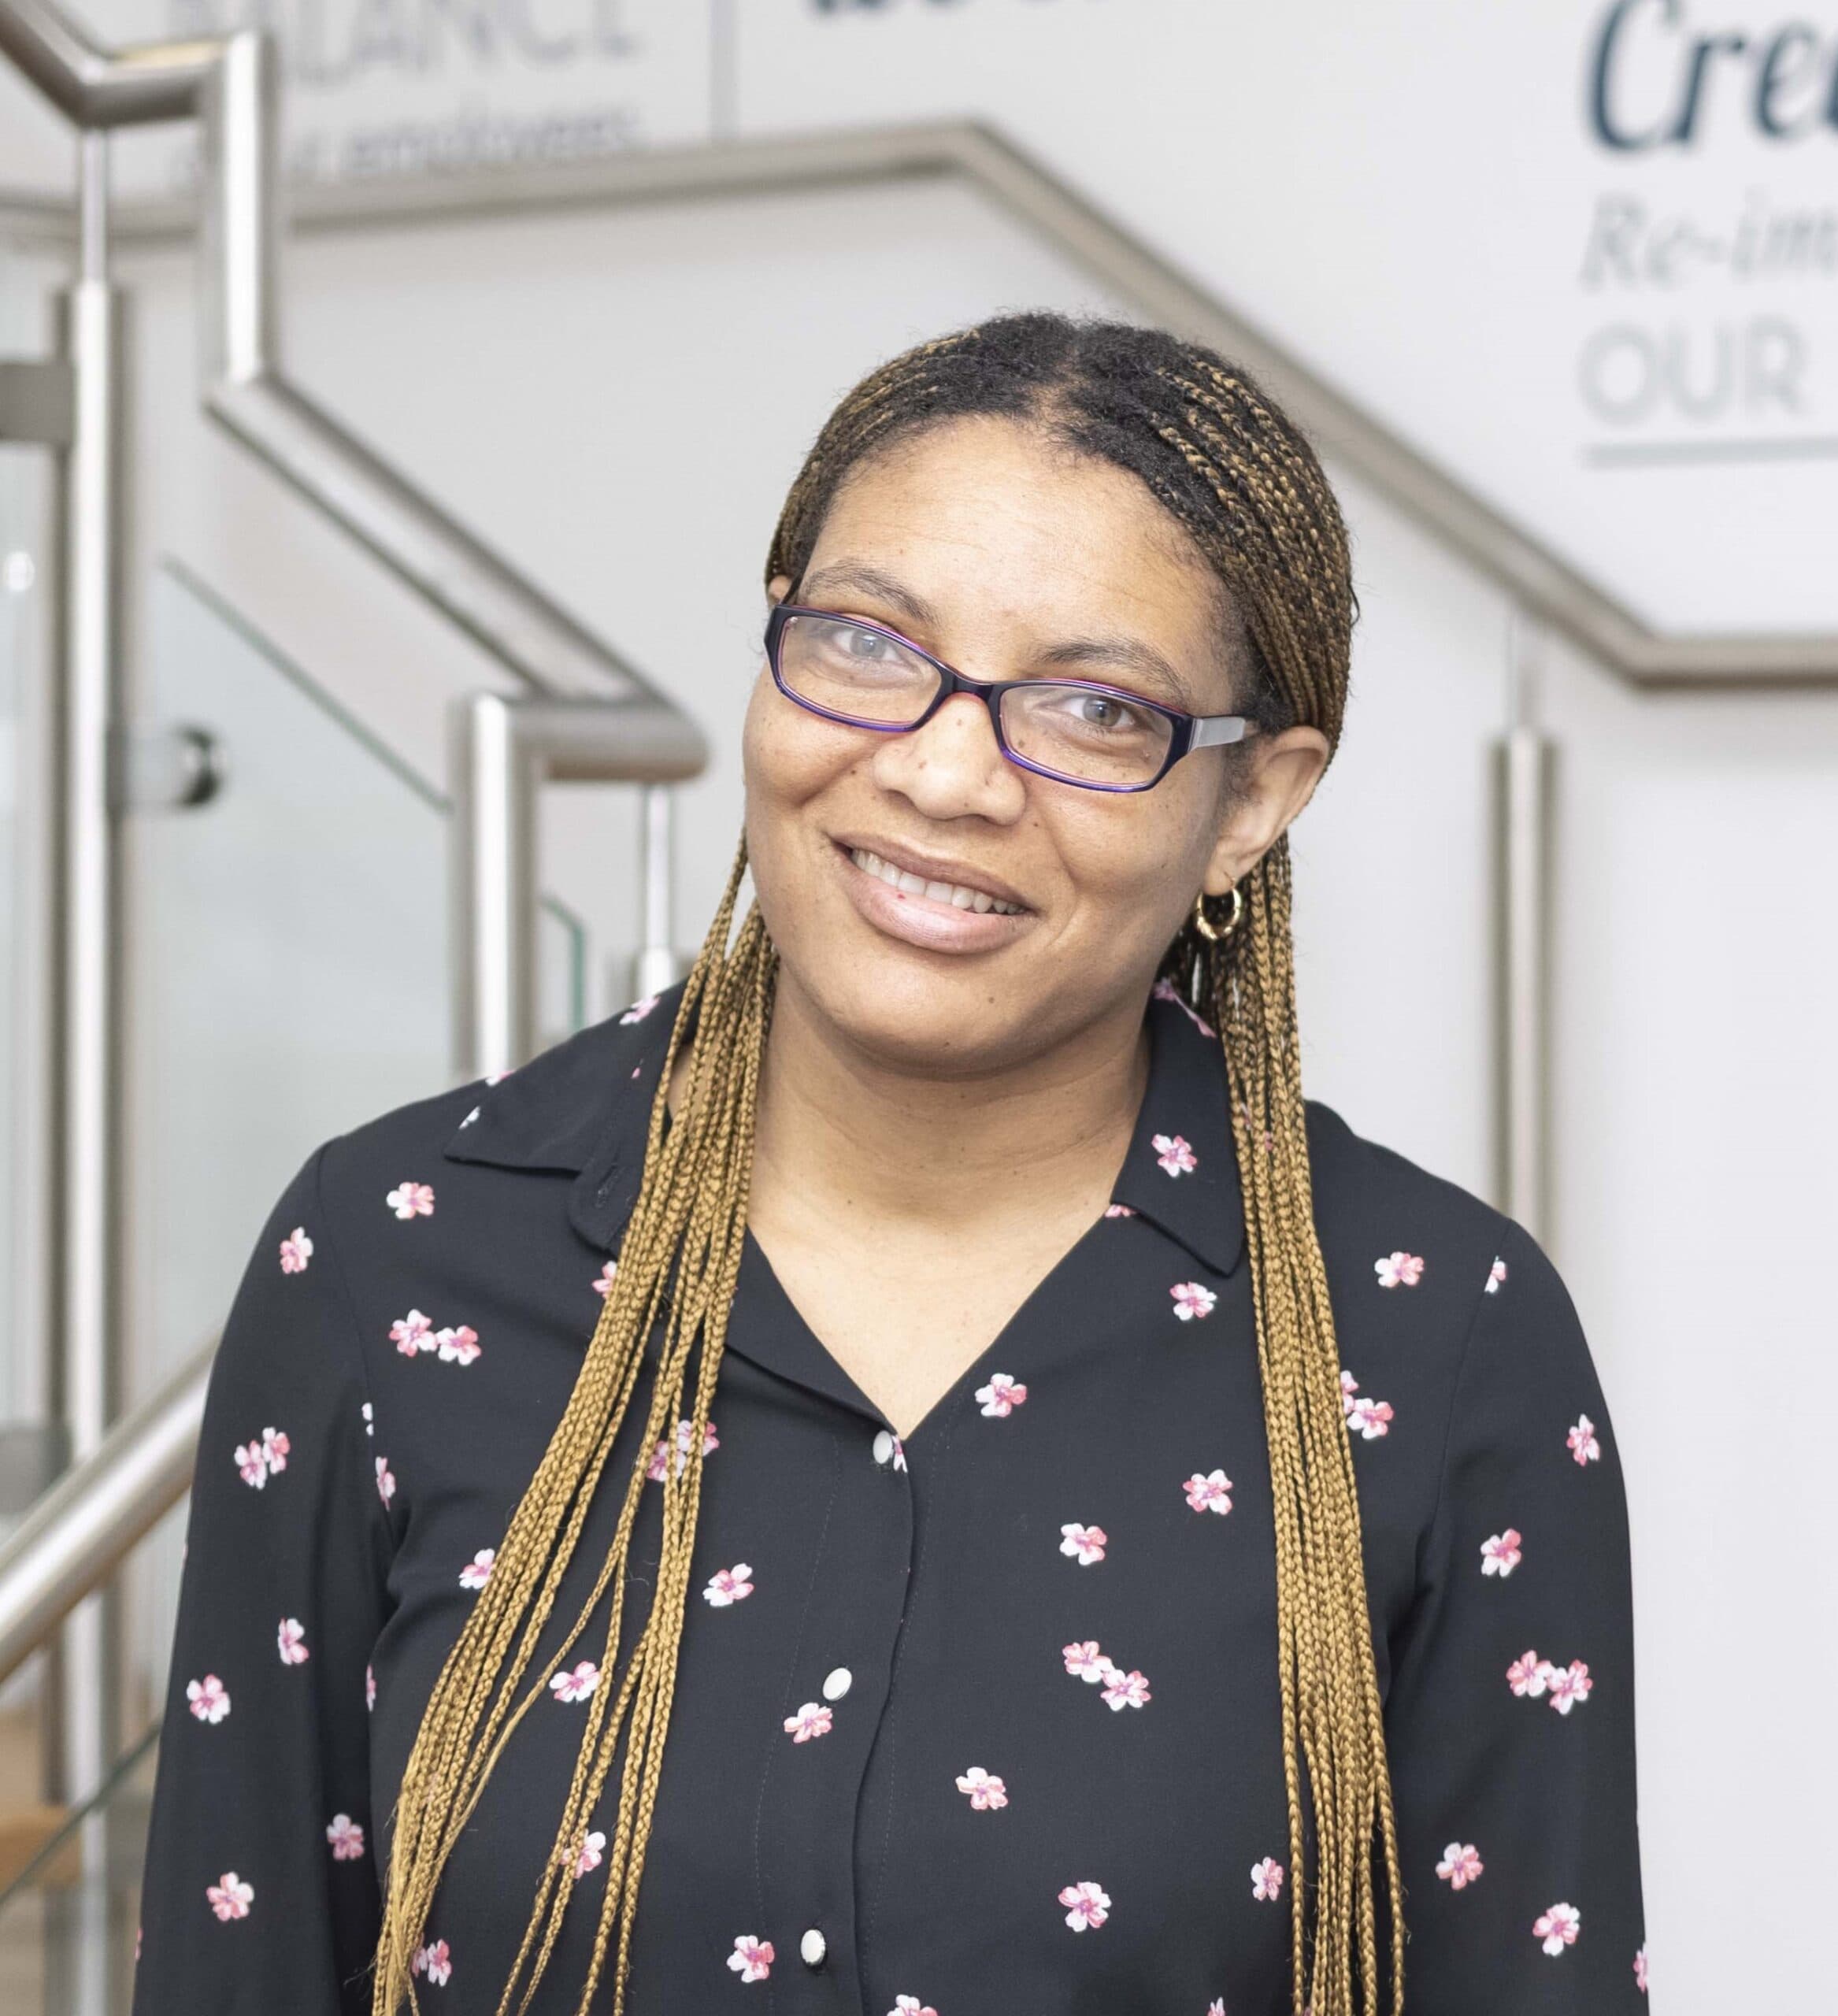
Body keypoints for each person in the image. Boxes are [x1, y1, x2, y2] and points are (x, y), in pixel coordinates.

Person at [132, 313, 1649, 2016]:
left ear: (1248, 802)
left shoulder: (1433, 1342)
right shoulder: (393, 1258)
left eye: (1094, 706)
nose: (939, 771)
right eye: (865, 642)